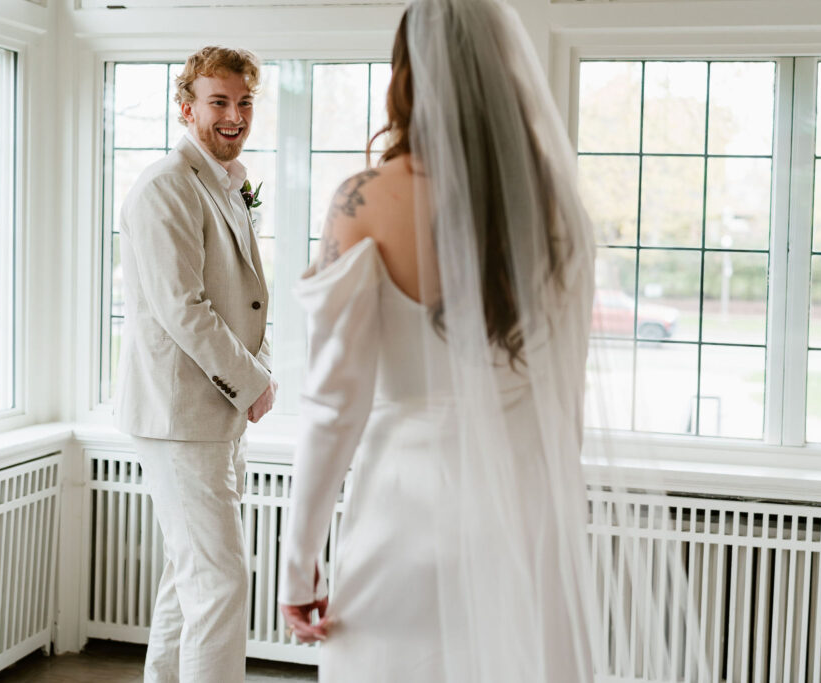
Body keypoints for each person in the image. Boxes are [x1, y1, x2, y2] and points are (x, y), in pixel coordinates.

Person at [276, 0, 620, 680]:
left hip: (407, 500)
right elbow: (567, 397)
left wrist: (299, 561)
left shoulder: (364, 198)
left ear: (404, 75)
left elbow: (331, 407)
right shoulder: (559, 206)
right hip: (527, 499)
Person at [114, 46, 277, 683]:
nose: (234, 115)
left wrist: (255, 375)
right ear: (187, 108)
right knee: (221, 583)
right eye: (219, 101)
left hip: (216, 413)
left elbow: (248, 297)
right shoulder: (164, 187)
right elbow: (185, 309)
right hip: (180, 414)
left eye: (244, 102)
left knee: (189, 581)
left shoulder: (225, 184)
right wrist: (254, 381)